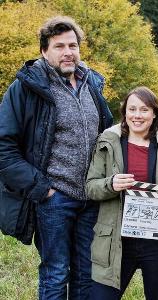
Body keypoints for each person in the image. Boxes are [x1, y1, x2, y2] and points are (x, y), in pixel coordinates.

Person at [0, 16, 113, 300]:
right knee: (56, 272)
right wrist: (43, 189)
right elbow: (4, 146)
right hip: (54, 198)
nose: (68, 52)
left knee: (85, 272)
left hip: (90, 198)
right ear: (44, 51)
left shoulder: (92, 83)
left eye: (73, 45)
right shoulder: (27, 87)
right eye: (59, 46)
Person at [86, 87, 158, 299]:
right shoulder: (108, 141)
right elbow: (90, 187)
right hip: (116, 240)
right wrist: (110, 184)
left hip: (156, 243)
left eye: (144, 109)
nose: (137, 115)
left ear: (154, 114)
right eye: (132, 109)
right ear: (124, 112)